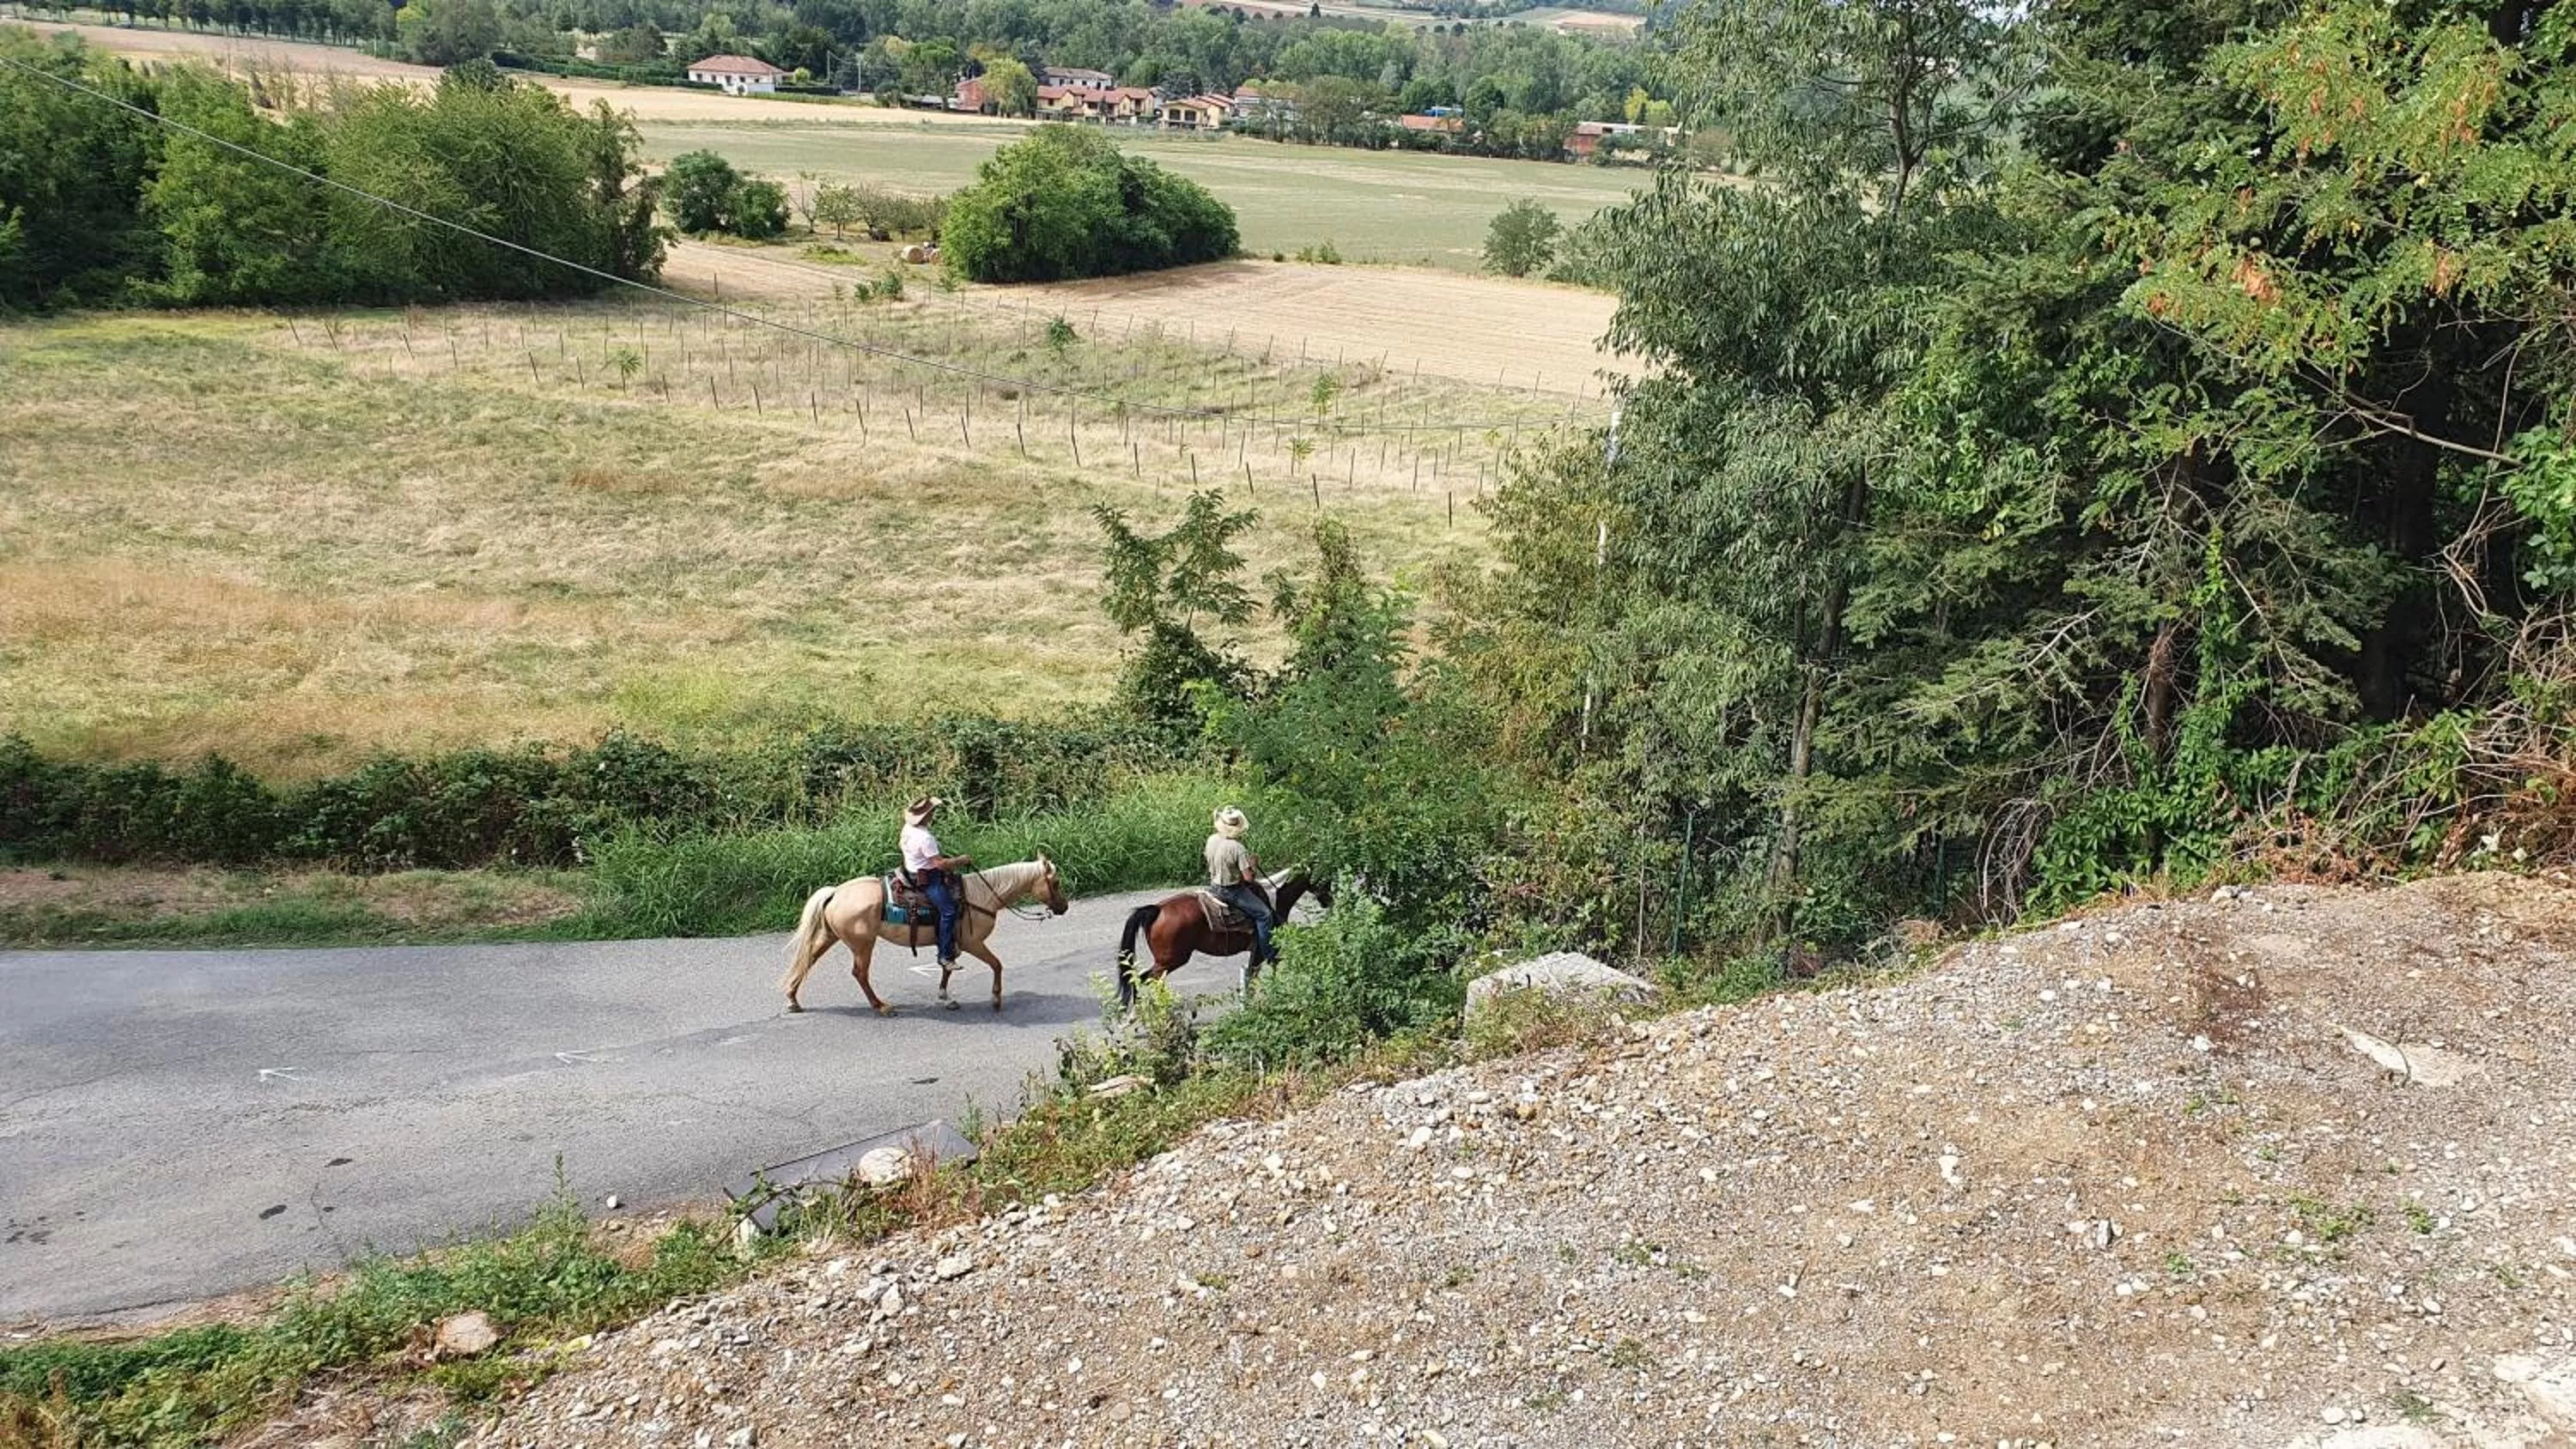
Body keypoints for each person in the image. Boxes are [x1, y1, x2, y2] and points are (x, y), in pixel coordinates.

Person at [899, 796, 971, 969]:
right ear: (927, 815)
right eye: (932, 812)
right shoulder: (925, 837)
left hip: (910, 870)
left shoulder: (907, 828)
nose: (933, 814)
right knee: (949, 911)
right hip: (927, 879)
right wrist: (960, 860)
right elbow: (940, 864)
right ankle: (945, 955)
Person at [1204, 805, 1274, 967]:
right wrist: (1253, 865)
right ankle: (1269, 954)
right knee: (1265, 915)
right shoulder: (1238, 848)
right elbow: (1248, 878)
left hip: (1214, 885)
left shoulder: (1212, 839)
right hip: (1231, 891)